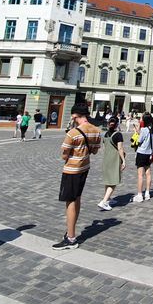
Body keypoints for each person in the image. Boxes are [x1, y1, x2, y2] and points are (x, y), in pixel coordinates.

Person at [54, 104, 101, 250]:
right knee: (77, 198)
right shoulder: (96, 130)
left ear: (75, 116)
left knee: (71, 201)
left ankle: (71, 238)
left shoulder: (73, 133)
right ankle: (71, 229)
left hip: (72, 170)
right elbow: (94, 151)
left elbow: (64, 155)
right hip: (85, 168)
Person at [98, 118, 125, 211]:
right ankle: (104, 201)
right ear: (117, 124)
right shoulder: (118, 134)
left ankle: (108, 198)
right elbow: (120, 148)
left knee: (108, 180)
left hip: (106, 159)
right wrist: (124, 160)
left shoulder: (105, 134)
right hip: (114, 159)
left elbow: (104, 146)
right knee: (113, 181)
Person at [133, 113, 153, 203]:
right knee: (148, 173)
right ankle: (147, 193)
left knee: (140, 175)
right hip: (149, 153)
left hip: (141, 153)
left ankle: (139, 195)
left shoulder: (143, 130)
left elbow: (139, 141)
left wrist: (137, 132)